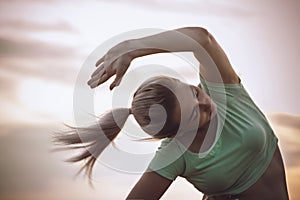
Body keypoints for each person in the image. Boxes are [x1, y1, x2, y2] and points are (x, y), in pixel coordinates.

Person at [54, 27, 289, 199]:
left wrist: (133, 47)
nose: (205, 105)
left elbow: (202, 39)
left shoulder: (223, 93)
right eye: (194, 116)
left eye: (195, 94)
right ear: (179, 134)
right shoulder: (175, 154)